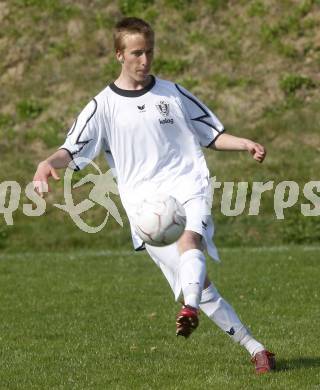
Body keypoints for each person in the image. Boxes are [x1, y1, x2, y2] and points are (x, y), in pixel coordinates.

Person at [33, 17, 275, 374]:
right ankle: (256, 349)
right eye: (136, 54)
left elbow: (209, 133)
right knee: (201, 282)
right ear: (119, 55)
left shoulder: (172, 92)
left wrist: (244, 144)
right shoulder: (103, 107)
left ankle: (188, 308)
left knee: (191, 241)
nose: (144, 61)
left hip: (188, 185)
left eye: (149, 52)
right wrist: (45, 164)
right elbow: (72, 149)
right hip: (145, 209)